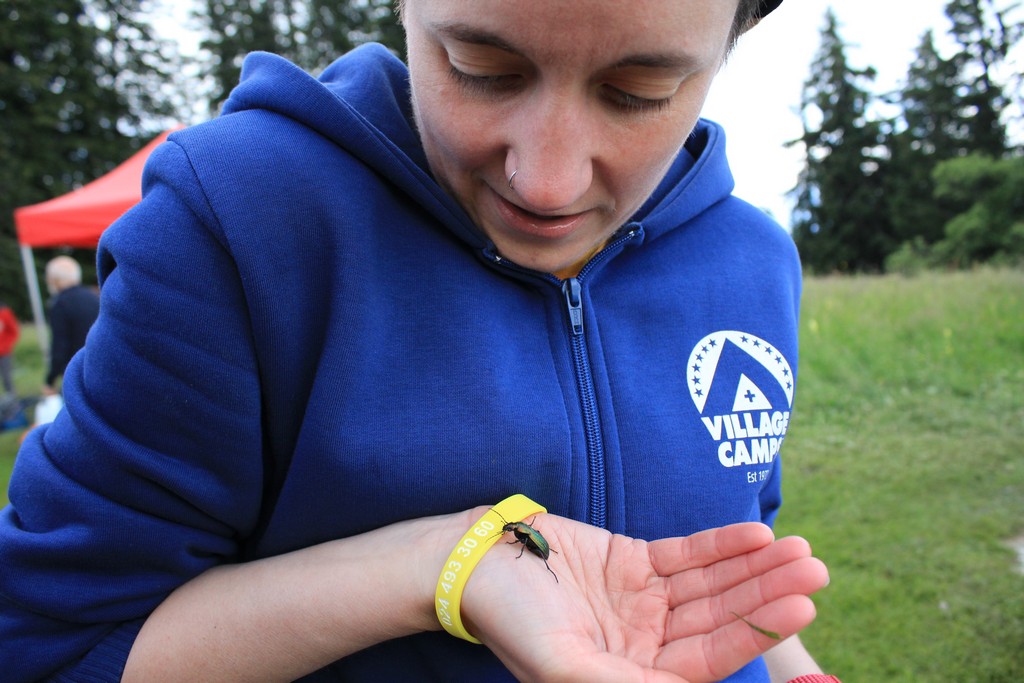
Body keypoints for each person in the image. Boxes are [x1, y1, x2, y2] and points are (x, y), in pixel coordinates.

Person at [0, 1, 841, 681]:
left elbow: (718, 567)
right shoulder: (235, 220)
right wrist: (439, 564)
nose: (547, 182)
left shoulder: (755, 260)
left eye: (640, 90)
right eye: (481, 68)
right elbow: (56, 651)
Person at [41, 255, 100, 394]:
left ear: (55, 280)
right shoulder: (94, 297)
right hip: (100, 364)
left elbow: (59, 345)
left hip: (76, 370)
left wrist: (50, 380)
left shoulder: (60, 304)